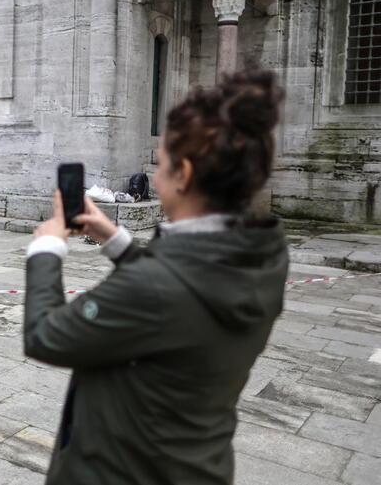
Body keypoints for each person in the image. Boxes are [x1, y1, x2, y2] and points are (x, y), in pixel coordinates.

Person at [24, 69, 288, 485]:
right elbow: (182, 294)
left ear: (182, 174)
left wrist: (47, 247)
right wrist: (115, 239)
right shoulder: (260, 254)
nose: (156, 174)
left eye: (161, 162)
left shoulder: (156, 288)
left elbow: (45, 336)